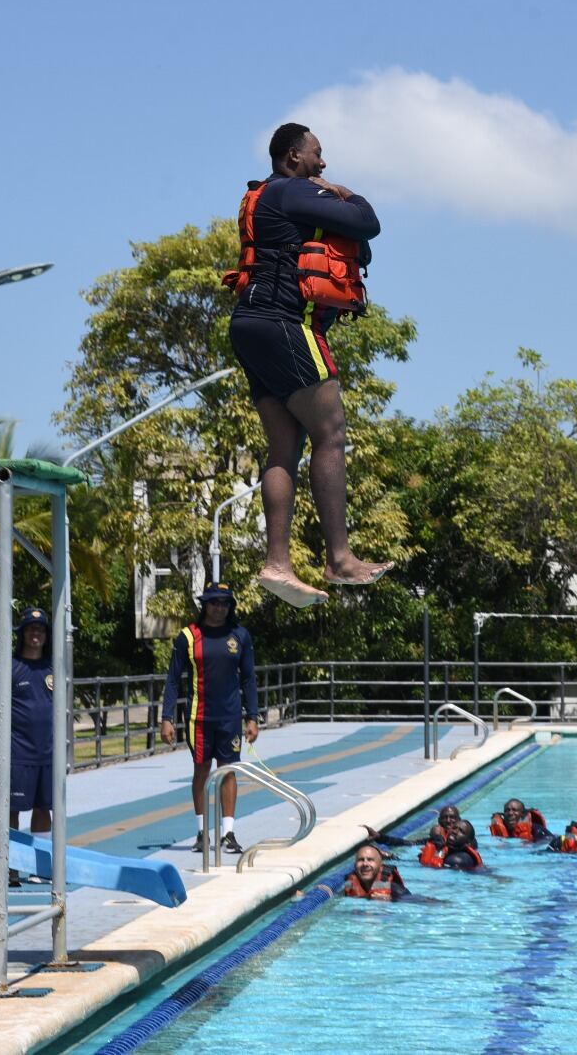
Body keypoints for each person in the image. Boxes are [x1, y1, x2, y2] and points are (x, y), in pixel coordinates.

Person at [221, 122, 392, 608]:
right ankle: (339, 559)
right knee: (330, 432)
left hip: (250, 324)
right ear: (293, 157)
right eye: (317, 154)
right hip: (285, 323)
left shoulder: (267, 197)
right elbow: (367, 222)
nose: (323, 163)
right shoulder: (292, 191)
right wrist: (344, 193)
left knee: (285, 446)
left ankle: (278, 565)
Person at [158, 582, 259, 853]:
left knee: (228, 771)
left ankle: (228, 833)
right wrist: (166, 717)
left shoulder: (240, 635)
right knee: (201, 771)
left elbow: (249, 679)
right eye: (214, 602)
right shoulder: (188, 637)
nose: (219, 608)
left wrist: (252, 717)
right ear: (205, 605)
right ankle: (202, 832)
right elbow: (172, 680)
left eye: (225, 603)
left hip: (230, 718)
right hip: (198, 718)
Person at [0, 607, 54, 884]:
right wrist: (8, 734)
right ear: (22, 634)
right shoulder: (8, 667)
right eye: (31, 629)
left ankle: (40, 867)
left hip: (47, 753)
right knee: (11, 810)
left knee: (43, 808)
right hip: (18, 754)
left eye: (41, 629)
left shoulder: (52, 667)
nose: (36, 634)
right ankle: (9, 867)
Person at [342, 842, 408, 901]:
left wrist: (390, 900)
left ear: (380, 864)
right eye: (361, 860)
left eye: (370, 860)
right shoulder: (350, 884)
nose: (365, 864)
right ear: (355, 865)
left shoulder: (396, 890)